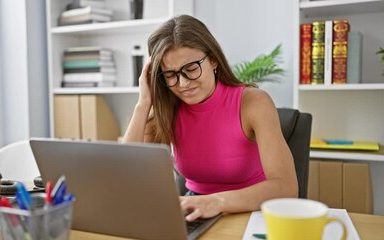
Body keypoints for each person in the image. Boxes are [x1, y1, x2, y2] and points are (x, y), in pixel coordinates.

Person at [122, 15, 298, 222]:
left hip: (250, 211)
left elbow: (286, 187)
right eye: (170, 75)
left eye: (191, 69)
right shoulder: (166, 109)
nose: (183, 83)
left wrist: (218, 202)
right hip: (194, 211)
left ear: (213, 59)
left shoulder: (253, 102)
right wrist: (143, 104)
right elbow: (126, 177)